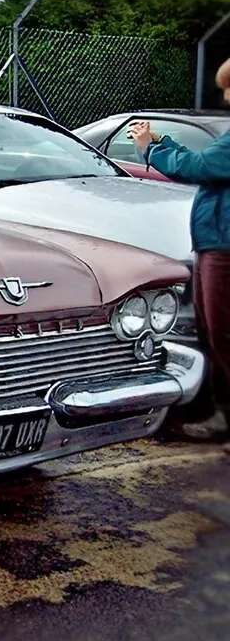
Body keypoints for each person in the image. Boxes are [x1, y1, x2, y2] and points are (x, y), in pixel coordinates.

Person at [128, 58, 230, 444]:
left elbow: (202, 166)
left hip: (224, 244)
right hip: (215, 241)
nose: (224, 96)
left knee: (223, 333)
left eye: (229, 87)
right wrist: (160, 143)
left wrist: (151, 151)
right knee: (214, 331)